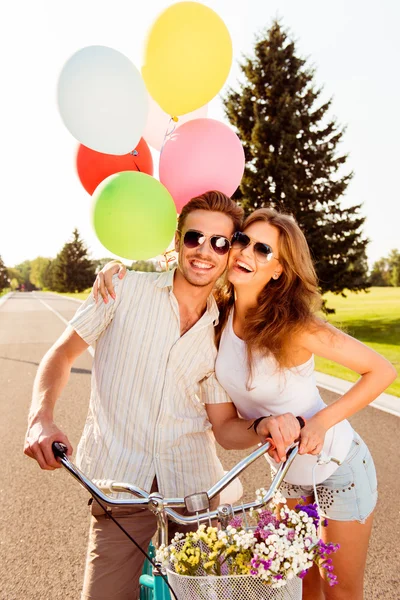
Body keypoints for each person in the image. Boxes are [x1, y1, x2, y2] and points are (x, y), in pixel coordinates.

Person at [98, 207, 397, 600]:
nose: (244, 252)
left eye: (263, 249)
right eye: (242, 240)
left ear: (279, 270)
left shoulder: (295, 326)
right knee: (299, 586)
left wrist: (322, 422)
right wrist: (115, 268)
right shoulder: (219, 316)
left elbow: (381, 370)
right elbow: (174, 283)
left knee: (340, 590)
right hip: (287, 474)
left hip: (341, 469)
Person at [24, 191, 300, 600]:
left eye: (220, 242)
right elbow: (62, 354)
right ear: (176, 241)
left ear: (229, 254)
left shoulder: (221, 331)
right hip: (120, 490)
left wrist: (263, 428)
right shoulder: (121, 288)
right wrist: (40, 417)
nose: (205, 251)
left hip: (194, 492)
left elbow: (224, 427)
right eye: (194, 238)